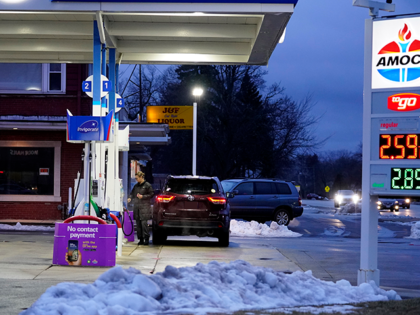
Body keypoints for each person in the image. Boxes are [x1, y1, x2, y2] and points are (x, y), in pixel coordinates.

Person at [127, 171, 154, 245]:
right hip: (137, 208)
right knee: (138, 225)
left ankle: (146, 239)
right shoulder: (136, 186)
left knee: (144, 224)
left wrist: (143, 197)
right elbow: (132, 193)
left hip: (145, 208)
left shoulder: (147, 185)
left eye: (137, 178)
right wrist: (130, 198)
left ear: (141, 177)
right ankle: (140, 239)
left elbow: (151, 194)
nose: (136, 180)